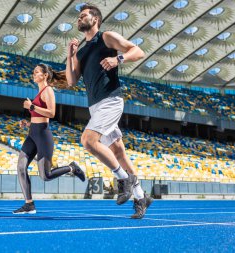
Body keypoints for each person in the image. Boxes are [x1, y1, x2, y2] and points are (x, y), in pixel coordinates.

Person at [65, 4, 153, 219]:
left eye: (83, 15)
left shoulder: (106, 37)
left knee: (88, 140)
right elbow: (71, 81)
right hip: (95, 106)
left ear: (95, 19)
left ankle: (123, 179)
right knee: (119, 152)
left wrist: (118, 59)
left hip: (111, 100)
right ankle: (141, 197)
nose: (79, 19)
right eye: (78, 17)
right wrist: (70, 56)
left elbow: (138, 51)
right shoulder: (82, 50)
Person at [13, 63, 85, 214]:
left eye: (36, 72)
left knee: (45, 176)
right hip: (32, 134)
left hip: (43, 137)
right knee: (20, 167)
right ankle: (29, 204)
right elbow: (38, 117)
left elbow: (51, 113)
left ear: (45, 75)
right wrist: (27, 123)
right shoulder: (38, 93)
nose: (34, 74)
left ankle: (72, 167)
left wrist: (31, 107)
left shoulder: (48, 91)